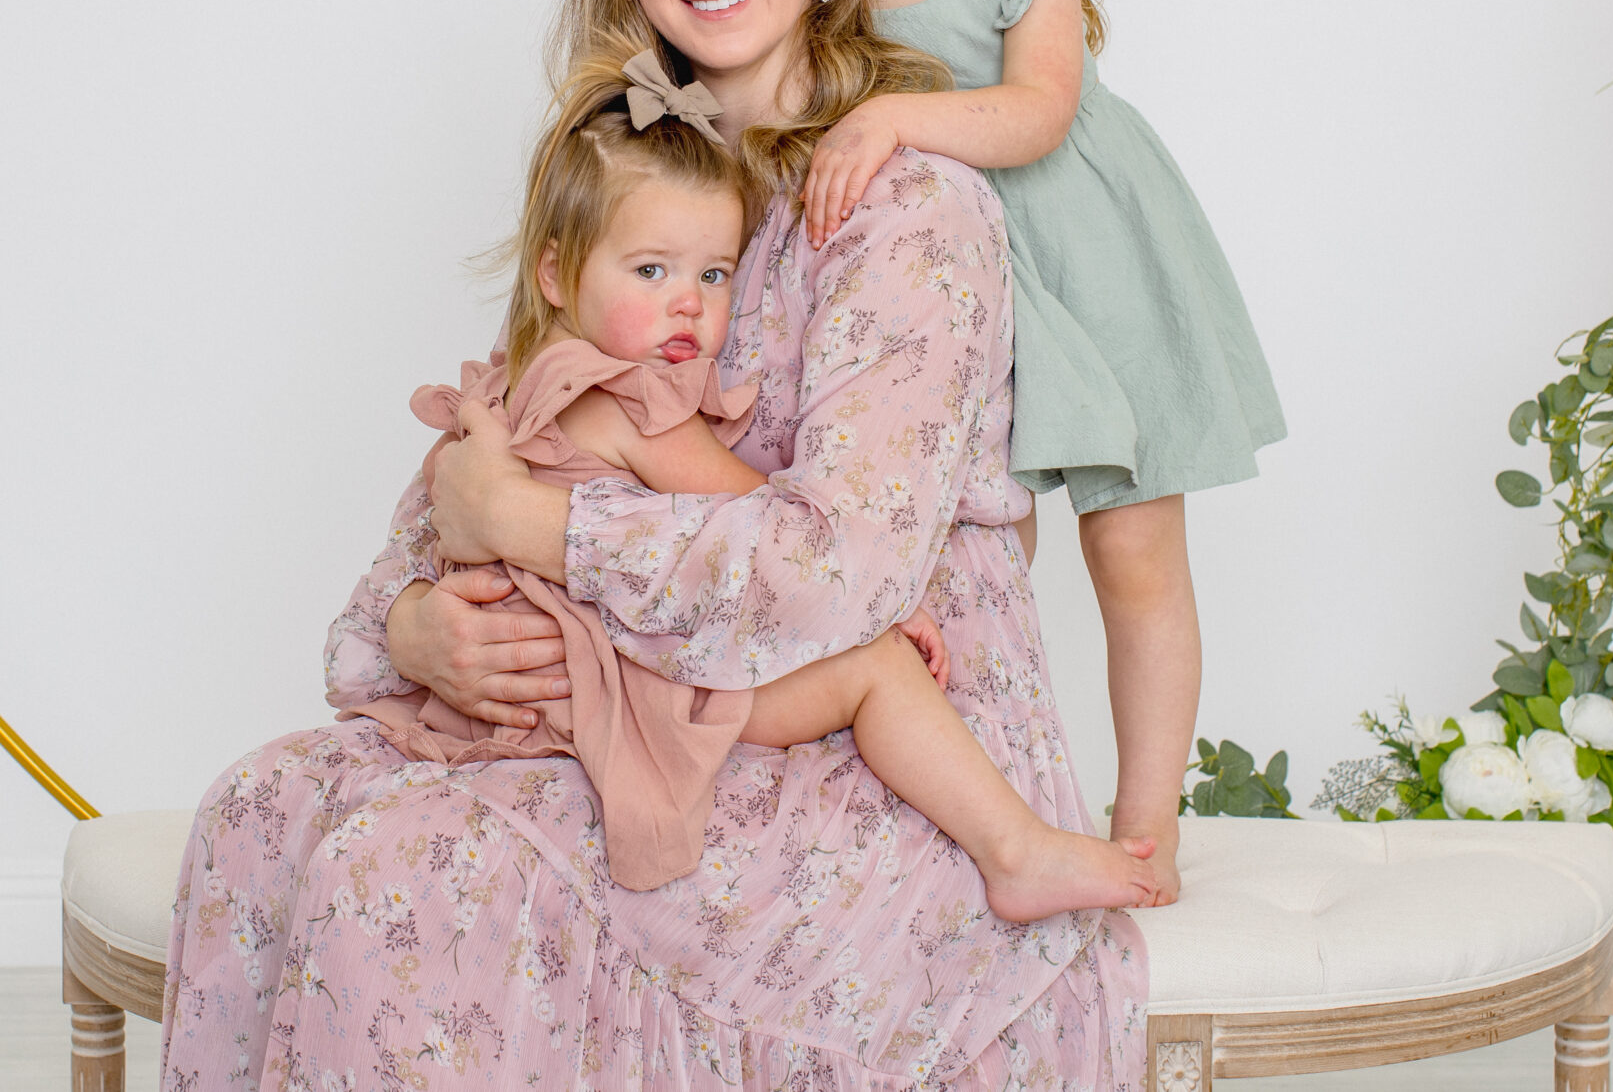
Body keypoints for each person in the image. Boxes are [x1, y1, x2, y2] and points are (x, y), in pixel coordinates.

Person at [160, 0, 1151, 1087]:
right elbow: (505, 455)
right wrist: (413, 620)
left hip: (873, 729)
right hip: (629, 688)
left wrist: (542, 527)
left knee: (406, 868)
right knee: (261, 808)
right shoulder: (621, 183)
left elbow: (836, 572)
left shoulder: (910, 208)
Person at [348, 48, 1159, 920]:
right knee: (877, 668)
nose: (689, 304)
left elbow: (430, 532)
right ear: (556, 272)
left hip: (551, 681)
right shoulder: (630, 397)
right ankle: (1018, 850)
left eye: (713, 273)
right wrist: (885, 601)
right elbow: (748, 503)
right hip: (629, 675)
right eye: (651, 271)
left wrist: (418, 606)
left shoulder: (513, 383)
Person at [767, 0, 1287, 903]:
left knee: (1136, 556)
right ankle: (1001, 812)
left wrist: (889, 115)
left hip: (1088, 268)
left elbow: (1036, 112)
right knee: (978, 570)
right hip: (952, 307)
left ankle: (1144, 831)